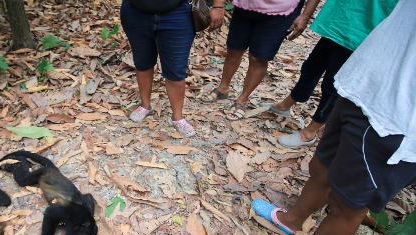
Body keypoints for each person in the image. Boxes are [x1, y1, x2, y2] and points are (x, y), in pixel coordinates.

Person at [250, 0, 416, 235]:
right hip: (361, 87)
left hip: (397, 121)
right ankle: (291, 219)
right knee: (321, 166)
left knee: (348, 203)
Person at [271, 0, 399, 148]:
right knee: (311, 67)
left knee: (332, 85)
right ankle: (285, 105)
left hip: (363, 32)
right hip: (341, 20)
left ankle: (309, 132)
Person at [120, 0, 224, 137]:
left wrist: (218, 5)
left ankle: (177, 117)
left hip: (178, 13)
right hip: (136, 12)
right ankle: (145, 106)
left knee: (176, 69)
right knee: (142, 62)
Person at [204, 0, 320, 108]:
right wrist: (218, 5)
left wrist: (305, 15)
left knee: (259, 58)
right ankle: (222, 89)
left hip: (281, 12)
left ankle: (242, 99)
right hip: (245, 6)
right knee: (234, 49)